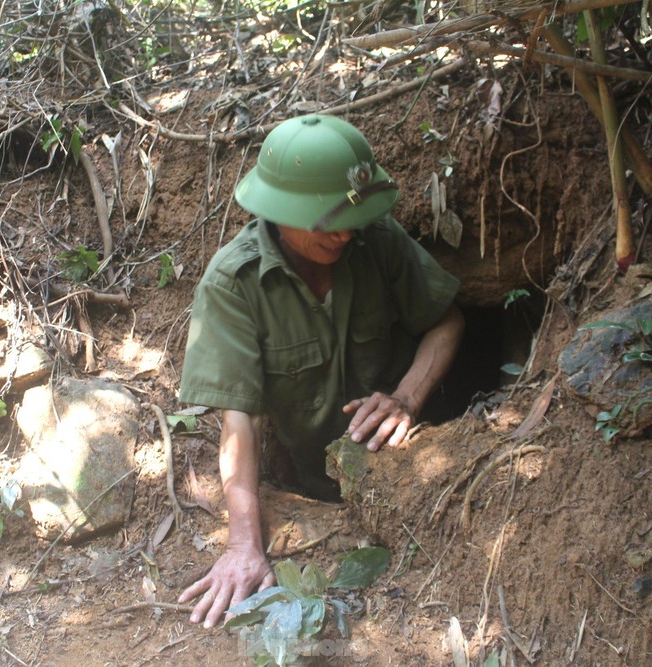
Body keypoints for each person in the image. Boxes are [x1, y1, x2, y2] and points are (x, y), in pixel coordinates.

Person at [176, 114, 464, 628]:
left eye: (354, 219)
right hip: (314, 481)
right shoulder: (233, 284)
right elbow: (239, 422)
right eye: (328, 222)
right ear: (280, 213)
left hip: (421, 470)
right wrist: (244, 544)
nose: (347, 235)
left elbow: (447, 319)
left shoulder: (376, 241)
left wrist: (406, 398)